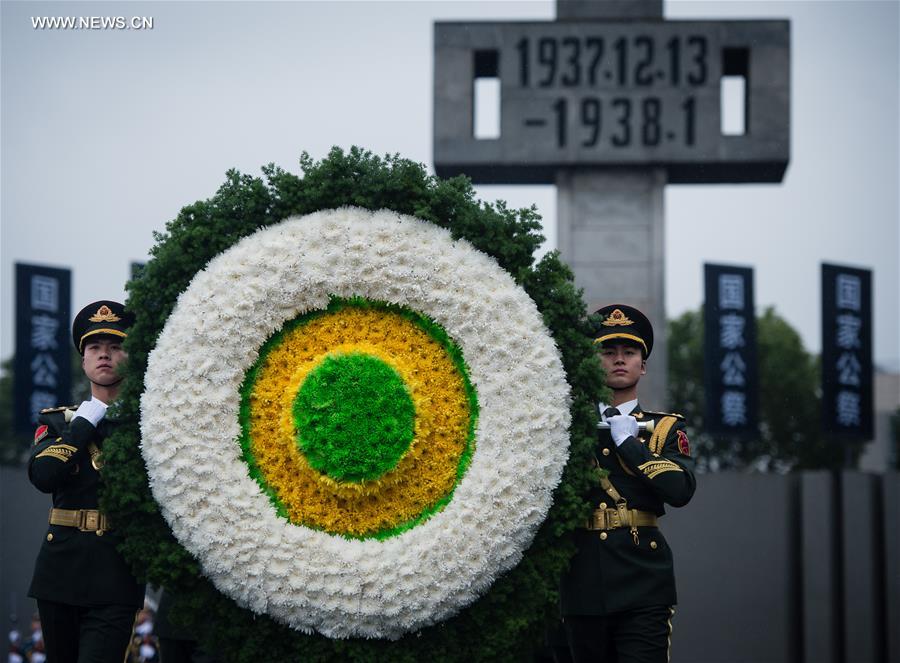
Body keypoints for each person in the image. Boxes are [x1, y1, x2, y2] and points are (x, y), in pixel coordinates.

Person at [560, 304, 696, 663]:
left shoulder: (664, 428)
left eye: (629, 352)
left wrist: (630, 445)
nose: (619, 360)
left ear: (643, 365)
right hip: (582, 578)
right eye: (608, 352)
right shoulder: (565, 429)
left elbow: (680, 490)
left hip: (643, 581)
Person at [27, 300, 145, 662]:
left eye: (115, 347)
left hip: (116, 576)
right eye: (95, 348)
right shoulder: (61, 423)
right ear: (83, 360)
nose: (105, 355)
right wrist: (85, 421)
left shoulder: (146, 426)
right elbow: (44, 476)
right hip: (59, 572)